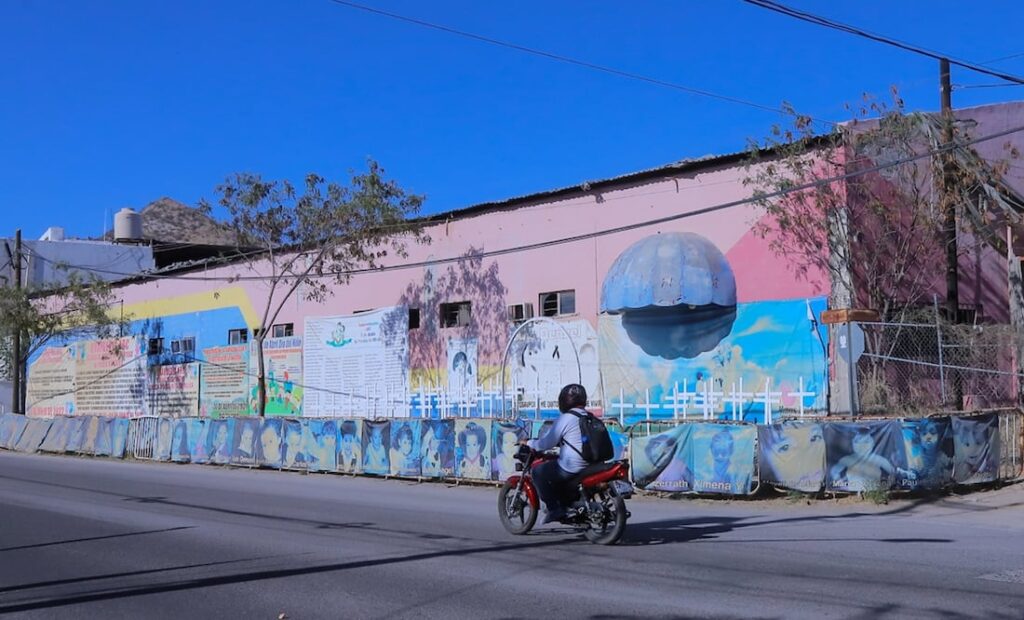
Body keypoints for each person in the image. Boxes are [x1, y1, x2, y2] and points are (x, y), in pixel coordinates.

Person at [524, 383, 592, 524]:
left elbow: (546, 443)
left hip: (573, 465)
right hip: (592, 463)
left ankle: (554, 508)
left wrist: (530, 443)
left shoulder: (565, 418)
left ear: (564, 400)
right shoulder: (590, 417)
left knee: (538, 472)